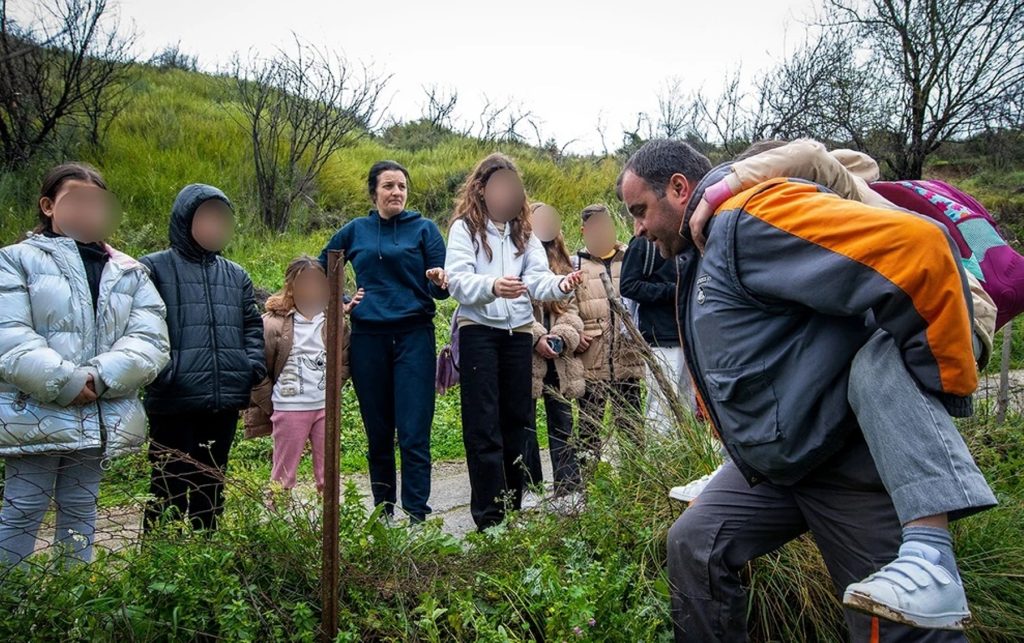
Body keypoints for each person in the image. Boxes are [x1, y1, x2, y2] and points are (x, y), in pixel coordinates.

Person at [619, 138, 972, 642]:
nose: (637, 228)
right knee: (696, 544)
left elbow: (918, 248)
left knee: (890, 623)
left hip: (843, 462)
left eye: (639, 210)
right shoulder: (701, 245)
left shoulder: (746, 218)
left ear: (678, 188)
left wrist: (924, 396)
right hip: (780, 465)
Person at [0, 163, 169, 567]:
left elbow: (150, 339)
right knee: (23, 508)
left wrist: (99, 376)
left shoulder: (129, 271)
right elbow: (10, 334)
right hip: (35, 411)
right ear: (48, 206)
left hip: (97, 414)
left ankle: (72, 594)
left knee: (81, 509)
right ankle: (12, 596)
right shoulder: (15, 260)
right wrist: (67, 380)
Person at [445, 153, 582, 531]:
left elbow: (537, 280)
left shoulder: (525, 233)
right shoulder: (464, 229)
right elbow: (457, 280)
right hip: (478, 331)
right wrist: (493, 286)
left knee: (518, 422)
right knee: (483, 424)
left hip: (518, 334)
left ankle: (513, 509)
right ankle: (489, 519)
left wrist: (561, 284)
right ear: (481, 189)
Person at [318, 160, 448, 523]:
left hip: (414, 336)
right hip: (368, 338)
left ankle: (417, 516)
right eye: (389, 185)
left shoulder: (424, 229)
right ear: (373, 192)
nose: (396, 192)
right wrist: (342, 301)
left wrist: (439, 280)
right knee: (378, 432)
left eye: (402, 186)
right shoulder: (355, 230)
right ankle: (383, 511)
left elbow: (442, 289)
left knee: (413, 431)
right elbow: (320, 266)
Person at [141, 184, 266, 532]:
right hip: (174, 399)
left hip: (223, 397)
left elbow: (251, 325)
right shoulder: (153, 268)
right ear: (185, 219)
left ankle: (207, 548)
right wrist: (165, 374)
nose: (215, 225)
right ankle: (161, 555)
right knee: (168, 484)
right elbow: (140, 329)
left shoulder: (235, 274)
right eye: (206, 217)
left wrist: (250, 367)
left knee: (211, 482)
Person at [243, 256, 354, 497]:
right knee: (284, 475)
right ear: (291, 286)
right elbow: (257, 368)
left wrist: (333, 389)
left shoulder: (334, 322)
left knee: (328, 475)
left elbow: (345, 361)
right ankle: (277, 515)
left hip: (325, 408)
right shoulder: (271, 324)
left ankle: (331, 518)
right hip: (289, 408)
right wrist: (271, 403)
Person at [573, 204, 645, 463]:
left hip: (627, 357)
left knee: (631, 424)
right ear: (584, 231)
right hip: (592, 358)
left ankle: (636, 474)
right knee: (589, 426)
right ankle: (588, 476)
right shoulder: (575, 264)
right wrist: (576, 333)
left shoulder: (629, 258)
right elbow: (566, 307)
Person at [525, 203, 586, 499]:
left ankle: (568, 485)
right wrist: (537, 337)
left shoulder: (565, 263)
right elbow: (513, 307)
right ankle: (528, 486)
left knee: (562, 419)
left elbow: (573, 308)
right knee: (524, 422)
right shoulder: (517, 260)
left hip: (558, 356)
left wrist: (561, 337)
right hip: (526, 354)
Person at [620, 232, 694, 434]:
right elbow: (628, 285)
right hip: (660, 337)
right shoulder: (642, 243)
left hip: (689, 335)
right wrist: (672, 291)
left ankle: (691, 452)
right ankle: (662, 453)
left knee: (690, 405)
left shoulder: (687, 238)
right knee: (661, 407)